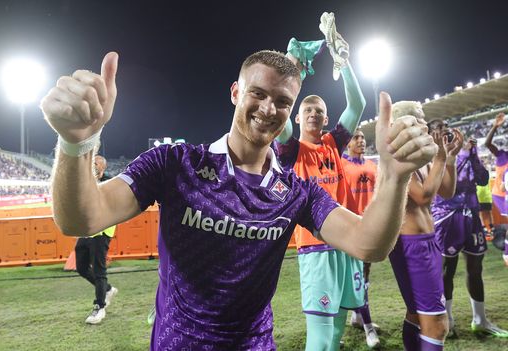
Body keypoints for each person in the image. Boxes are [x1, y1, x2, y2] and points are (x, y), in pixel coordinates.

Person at [40, 33, 437, 350]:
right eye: (258, 94)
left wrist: (396, 175)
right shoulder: (174, 164)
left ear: (290, 110)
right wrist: (77, 143)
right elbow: (81, 218)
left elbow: (370, 245)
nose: (268, 108)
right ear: (235, 92)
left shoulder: (296, 191)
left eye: (283, 101)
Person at [274, 17, 371, 349]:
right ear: (298, 117)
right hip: (315, 247)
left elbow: (358, 104)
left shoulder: (333, 143)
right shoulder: (290, 149)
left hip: (346, 242)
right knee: (319, 333)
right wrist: (292, 72)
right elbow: (280, 115)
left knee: (339, 326)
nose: (314, 113)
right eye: (307, 109)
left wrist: (342, 60)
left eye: (319, 110)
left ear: (326, 118)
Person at [388, 111, 463, 351]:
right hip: (412, 245)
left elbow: (448, 191)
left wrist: (449, 158)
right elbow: (423, 197)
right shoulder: (397, 158)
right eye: (420, 124)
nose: (429, 131)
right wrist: (441, 158)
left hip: (424, 242)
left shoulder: (421, 159)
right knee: (438, 324)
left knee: (416, 314)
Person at [432, 135, 508, 338]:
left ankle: (480, 320)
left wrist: (473, 155)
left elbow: (483, 179)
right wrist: (459, 154)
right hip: (447, 215)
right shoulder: (440, 154)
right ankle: (447, 321)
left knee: (476, 268)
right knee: (447, 269)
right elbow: (446, 184)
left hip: (471, 216)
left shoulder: (469, 154)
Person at [341, 129, 380, 348]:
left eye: (363, 137)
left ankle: (357, 317)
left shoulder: (373, 166)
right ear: (347, 143)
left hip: (369, 228)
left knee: (364, 276)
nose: (361, 140)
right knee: (356, 280)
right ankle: (368, 327)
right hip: (350, 229)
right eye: (356, 137)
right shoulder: (340, 165)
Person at [74, 154, 118, 324]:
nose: (94, 165)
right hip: (87, 229)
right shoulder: (85, 181)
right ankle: (107, 289)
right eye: (92, 162)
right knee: (81, 267)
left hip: (103, 229)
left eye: (97, 163)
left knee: (99, 269)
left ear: (104, 167)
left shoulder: (110, 182)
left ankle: (99, 307)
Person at [484, 112, 508, 264]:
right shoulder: (503, 156)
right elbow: (487, 144)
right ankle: (506, 254)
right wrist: (494, 127)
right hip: (500, 195)